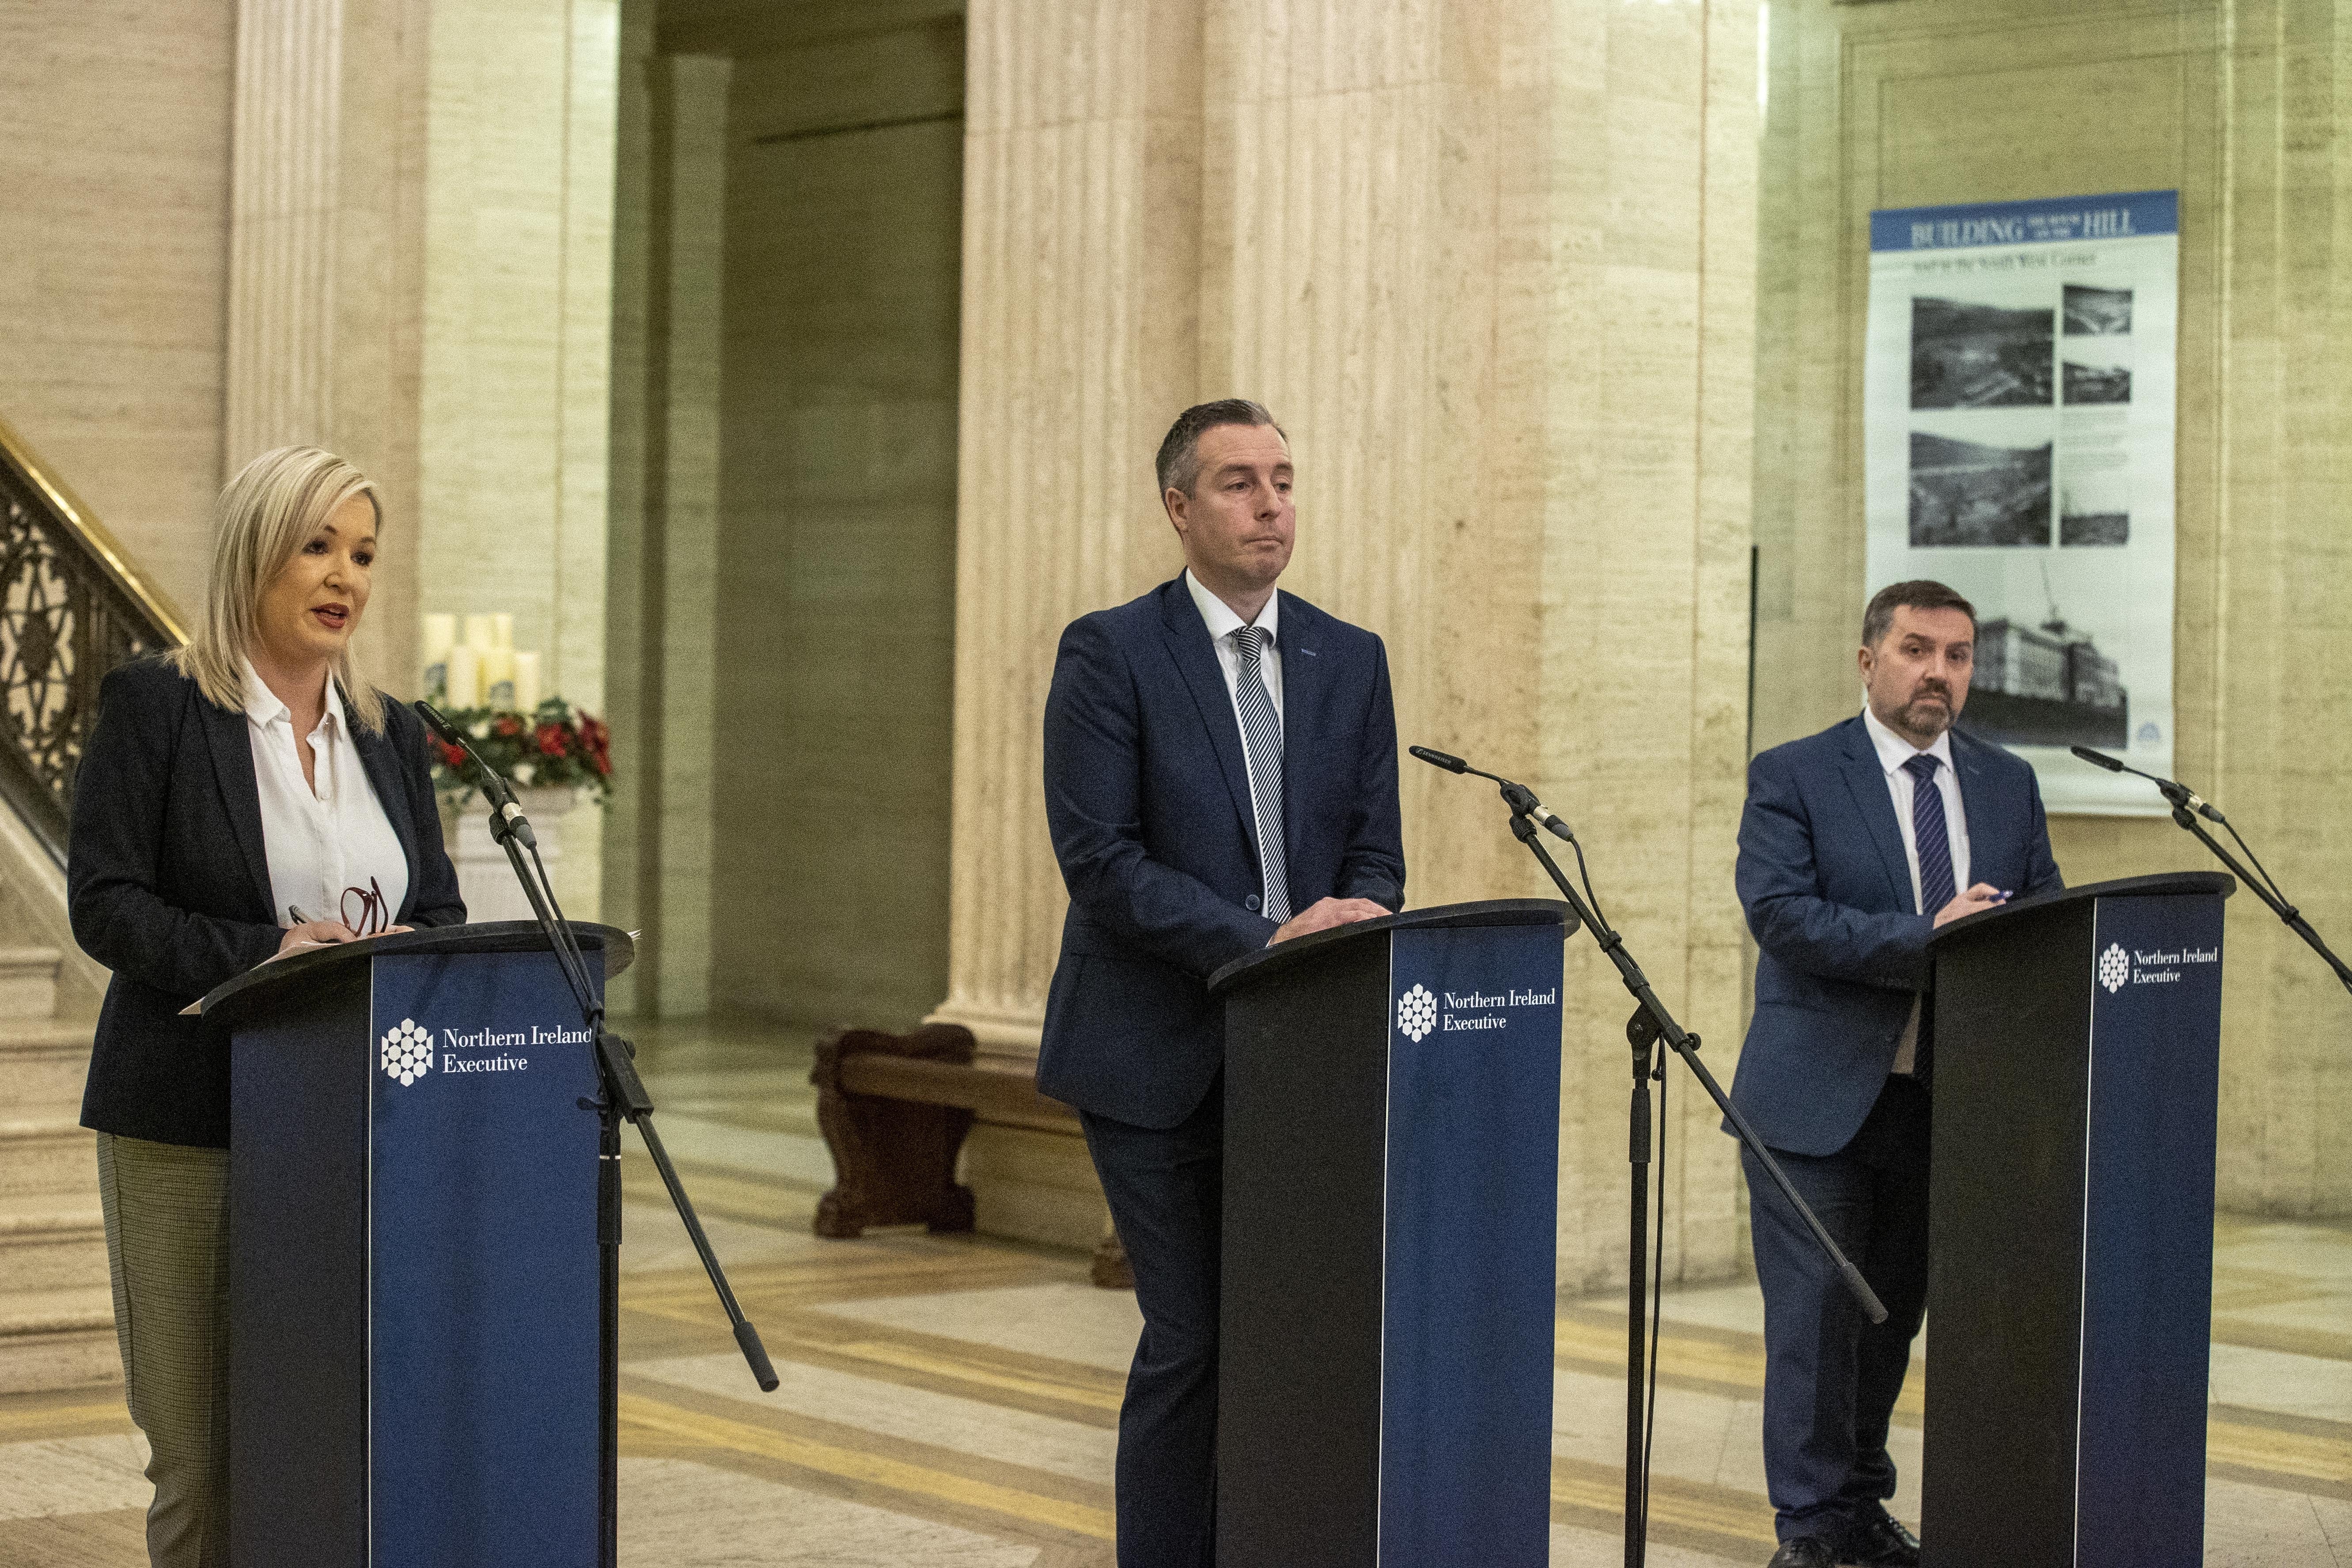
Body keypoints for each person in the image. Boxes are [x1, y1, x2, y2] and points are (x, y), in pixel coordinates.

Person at [68, 446, 466, 1567]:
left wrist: (422, 969)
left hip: (357, 1136)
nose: (347, 575)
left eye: (365, 554)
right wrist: (271, 952)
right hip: (188, 1120)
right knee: (198, 1449)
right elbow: (104, 903)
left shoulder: (394, 733)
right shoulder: (159, 705)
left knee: (324, 1430)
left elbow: (437, 911)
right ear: (256, 553)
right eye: (319, 545)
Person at [1038, 400, 1405, 1567]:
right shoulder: (1110, 650)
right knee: (1192, 1335)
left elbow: (1373, 848)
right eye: (1240, 481)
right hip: (1153, 1048)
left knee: (1285, 1337)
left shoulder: (1347, 656)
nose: (1271, 504)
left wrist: (1356, 921)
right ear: (1178, 506)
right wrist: (1267, 937)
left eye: (1285, 479)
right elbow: (1101, 859)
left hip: (1307, 1053)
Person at [1729, 579, 2062, 1568]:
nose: (1938, 673)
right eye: (1916, 649)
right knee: (1815, 1323)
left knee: (1892, 1318)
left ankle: (1861, 1502)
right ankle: (1809, 1526)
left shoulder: (2005, 780)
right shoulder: (1793, 773)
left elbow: (2040, 909)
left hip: (1943, 1098)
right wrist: (1930, 936)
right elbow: (1782, 913)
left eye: (1957, 655)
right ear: (1868, 660)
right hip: (1813, 1102)